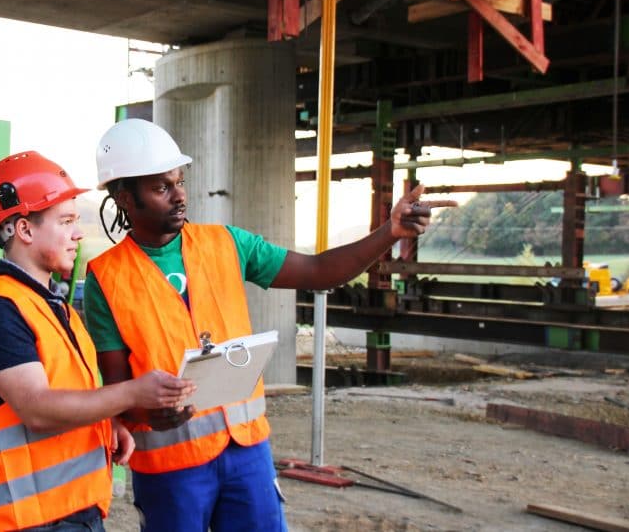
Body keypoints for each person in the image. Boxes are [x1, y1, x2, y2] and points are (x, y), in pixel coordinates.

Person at [84, 118, 456, 532]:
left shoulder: (227, 244)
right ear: (123, 197)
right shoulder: (106, 278)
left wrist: (390, 232)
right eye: (161, 187)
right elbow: (116, 391)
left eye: (180, 181)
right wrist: (149, 414)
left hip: (247, 453)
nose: (179, 196)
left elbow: (319, 272)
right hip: (170, 468)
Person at [0, 150, 195, 532]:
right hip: (26, 521)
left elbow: (69, 394)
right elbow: (38, 408)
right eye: (66, 221)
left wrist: (107, 423)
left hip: (71, 514)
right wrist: (133, 394)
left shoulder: (54, 308)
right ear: (25, 230)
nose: (78, 233)